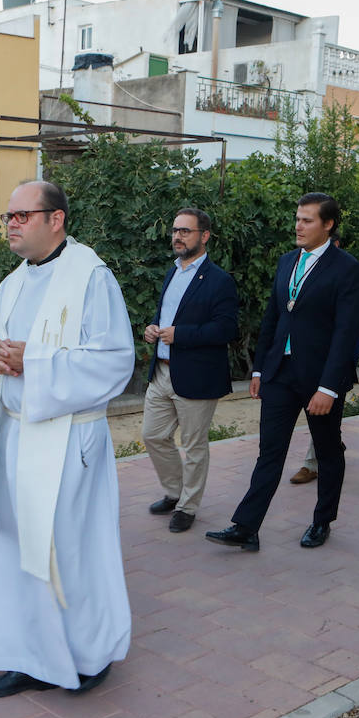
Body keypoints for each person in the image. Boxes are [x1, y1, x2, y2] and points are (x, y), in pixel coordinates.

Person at [0, 181, 133, 698]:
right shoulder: (13, 283)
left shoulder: (91, 277)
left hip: (67, 442)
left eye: (23, 215)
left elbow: (113, 361)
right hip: (15, 435)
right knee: (16, 546)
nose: (11, 224)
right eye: (9, 216)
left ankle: (88, 655)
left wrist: (30, 363)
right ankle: (27, 654)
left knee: (68, 551)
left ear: (56, 219)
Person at [206, 193, 359, 552]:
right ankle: (246, 526)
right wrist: (260, 367)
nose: (298, 226)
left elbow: (346, 332)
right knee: (270, 451)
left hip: (320, 379)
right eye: (297, 218)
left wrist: (328, 387)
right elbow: (274, 318)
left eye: (307, 220)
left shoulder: (347, 268)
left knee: (327, 451)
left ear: (328, 225)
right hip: (280, 372)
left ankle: (323, 520)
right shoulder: (286, 262)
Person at [142, 208, 239, 533]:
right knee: (152, 435)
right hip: (162, 370)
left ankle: (187, 505)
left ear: (204, 236)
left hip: (196, 374)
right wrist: (154, 329)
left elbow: (226, 330)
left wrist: (180, 334)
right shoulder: (172, 273)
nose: (177, 236)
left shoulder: (219, 280)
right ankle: (174, 491)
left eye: (185, 231)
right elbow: (168, 316)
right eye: (175, 230)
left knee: (194, 445)